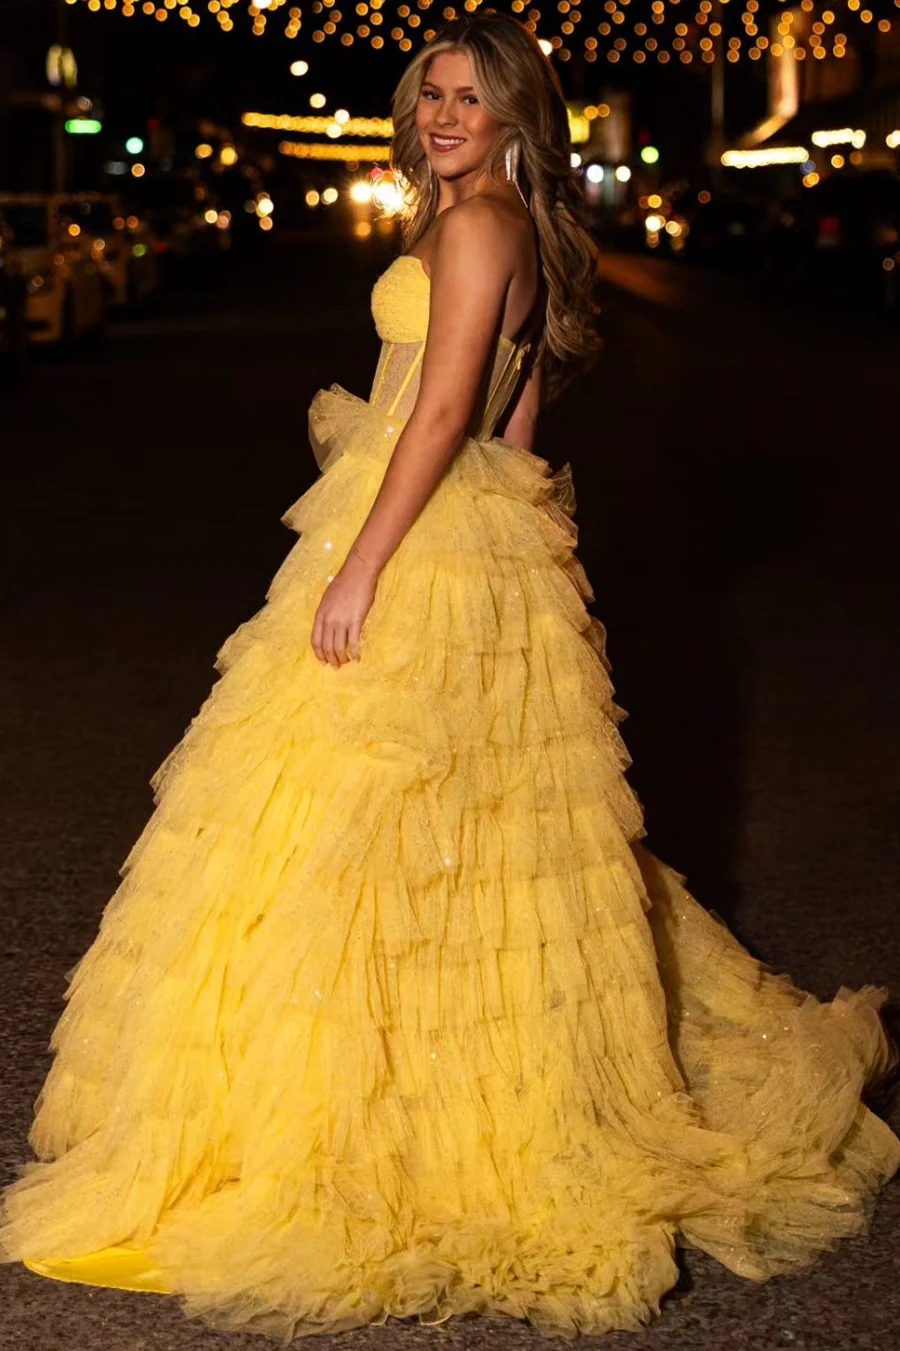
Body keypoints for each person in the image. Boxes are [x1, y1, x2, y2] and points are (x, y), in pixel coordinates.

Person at [1, 13, 898, 1342]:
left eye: (469, 99)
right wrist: (525, 534)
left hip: (415, 533)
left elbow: (434, 410)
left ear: (516, 110)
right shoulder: (507, 226)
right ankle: (415, 1085)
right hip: (470, 531)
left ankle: (357, 1124)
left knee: (345, 827)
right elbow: (520, 411)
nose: (440, 116)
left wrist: (361, 564)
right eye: (429, 95)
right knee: (461, 841)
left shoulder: (476, 227)